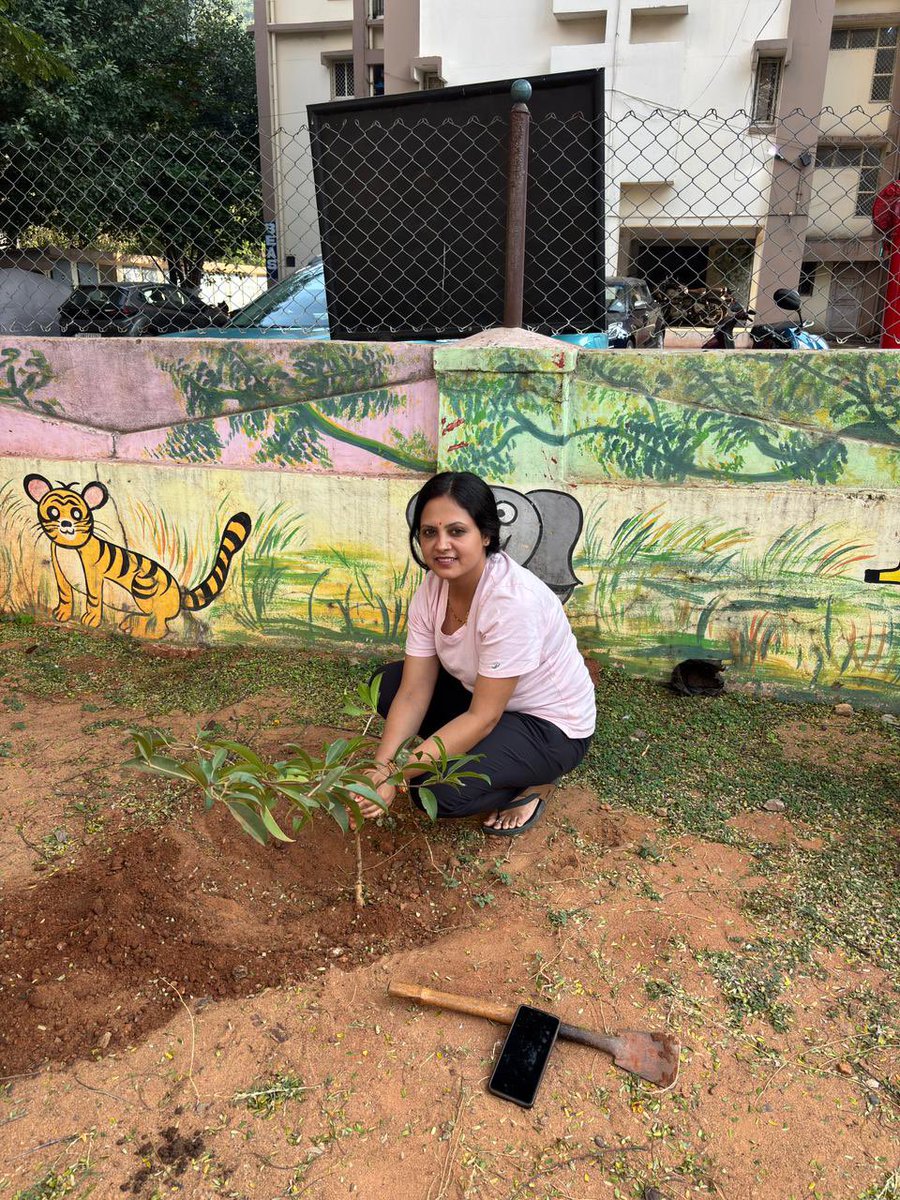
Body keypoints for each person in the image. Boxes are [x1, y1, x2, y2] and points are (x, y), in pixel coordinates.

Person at [353, 471, 596, 837]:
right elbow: (414, 690)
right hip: (488, 703)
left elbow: (483, 717)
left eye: (457, 531)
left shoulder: (511, 602)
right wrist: (381, 766)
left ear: (485, 535)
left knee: (437, 793)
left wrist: (395, 775)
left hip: (550, 728)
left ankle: (533, 783)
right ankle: (481, 756)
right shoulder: (432, 590)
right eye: (429, 532)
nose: (441, 545)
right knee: (387, 685)